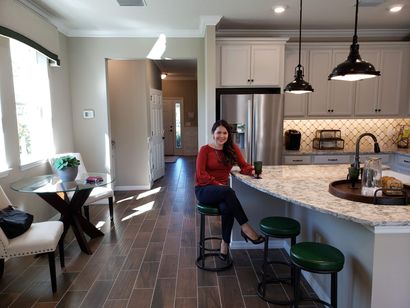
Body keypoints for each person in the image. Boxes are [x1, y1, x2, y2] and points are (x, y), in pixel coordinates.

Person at [195, 119, 265, 261]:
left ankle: (224, 244)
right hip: (204, 190)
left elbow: (243, 166)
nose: (222, 136)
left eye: (225, 133)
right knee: (228, 191)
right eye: (218, 132)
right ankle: (246, 227)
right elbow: (201, 175)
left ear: (228, 135)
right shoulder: (205, 150)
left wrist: (252, 172)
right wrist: (217, 184)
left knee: (227, 208)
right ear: (213, 134)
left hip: (222, 192)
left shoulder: (232, 149)